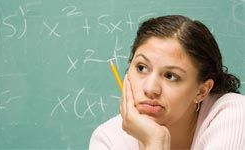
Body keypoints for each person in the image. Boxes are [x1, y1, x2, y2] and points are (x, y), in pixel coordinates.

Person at [89, 15, 245, 150]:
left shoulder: (234, 116)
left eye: (170, 76)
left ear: (202, 91)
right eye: (141, 68)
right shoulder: (108, 139)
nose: (150, 88)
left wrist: (155, 142)